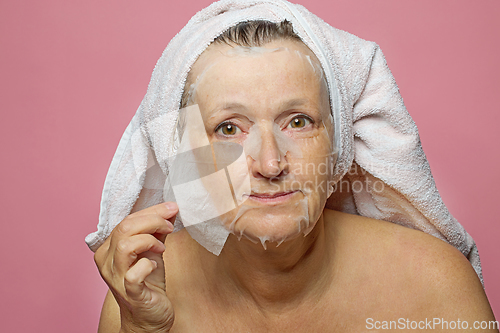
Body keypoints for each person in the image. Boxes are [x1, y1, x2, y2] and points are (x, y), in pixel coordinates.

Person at [88, 1, 498, 332]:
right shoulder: (144, 296)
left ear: (337, 142)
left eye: (298, 121)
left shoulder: (433, 285)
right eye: (229, 128)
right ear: (184, 157)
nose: (270, 163)